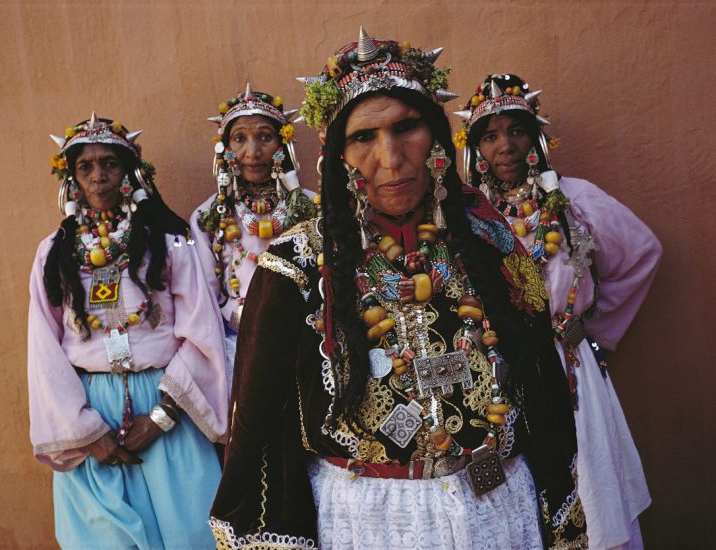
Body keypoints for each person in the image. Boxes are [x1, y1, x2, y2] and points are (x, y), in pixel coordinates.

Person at [210, 30, 586, 549]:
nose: (390, 157)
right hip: (370, 522)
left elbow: (542, 393)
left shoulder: (492, 242)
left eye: (407, 128)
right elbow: (257, 435)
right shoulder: (293, 269)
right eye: (364, 137)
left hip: (498, 509)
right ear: (336, 155)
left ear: (435, 138)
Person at [456, 74, 661, 549]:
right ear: (475, 148)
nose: (504, 146)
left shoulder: (573, 200)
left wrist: (594, 328)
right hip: (498, 368)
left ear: (536, 139)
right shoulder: (467, 215)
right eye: (489, 135)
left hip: (569, 368)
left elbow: (642, 252)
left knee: (588, 485)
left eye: (516, 131)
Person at [28, 114, 228, 549]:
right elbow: (44, 352)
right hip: (91, 410)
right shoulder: (53, 254)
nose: (98, 177)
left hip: (168, 406)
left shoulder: (170, 242)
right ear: (71, 179)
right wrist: (87, 432)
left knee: (192, 533)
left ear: (130, 173)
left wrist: (160, 418)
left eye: (110, 164)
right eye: (85, 167)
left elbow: (201, 332)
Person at [191, 85, 316, 386]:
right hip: (238, 351)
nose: (252, 152)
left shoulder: (312, 208)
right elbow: (205, 296)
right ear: (225, 148)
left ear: (283, 144)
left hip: (305, 345)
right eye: (239, 139)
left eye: (264, 137)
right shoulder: (208, 217)